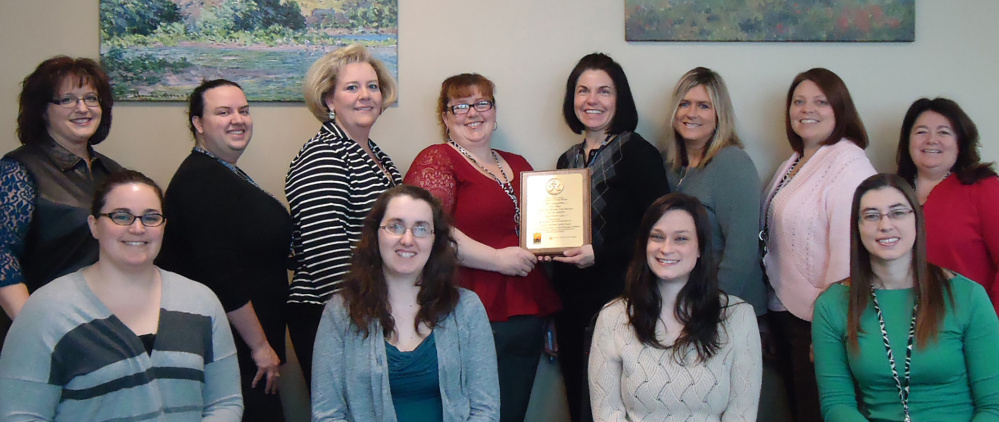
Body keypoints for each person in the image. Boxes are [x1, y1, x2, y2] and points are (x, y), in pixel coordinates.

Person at [0, 170, 243, 420]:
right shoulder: (46, 311)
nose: (137, 228)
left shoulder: (202, 303)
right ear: (94, 225)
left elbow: (225, 402)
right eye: (122, 216)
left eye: (151, 218)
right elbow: (20, 414)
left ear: (163, 226)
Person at [405, 73, 560, 422]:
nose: (472, 113)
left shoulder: (519, 164)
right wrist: (496, 260)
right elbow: (427, 229)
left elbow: (543, 235)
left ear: (494, 111)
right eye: (459, 106)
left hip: (528, 313)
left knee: (510, 414)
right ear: (445, 118)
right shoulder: (438, 159)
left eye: (481, 103)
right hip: (466, 311)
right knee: (468, 414)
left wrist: (550, 310)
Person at [813, 173, 999, 421]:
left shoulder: (968, 295)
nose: (885, 225)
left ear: (917, 221)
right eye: (871, 216)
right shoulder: (832, 304)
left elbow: (994, 405)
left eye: (898, 213)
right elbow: (836, 404)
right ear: (857, 228)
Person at [156, 79, 290, 421]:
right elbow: (220, 273)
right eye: (223, 112)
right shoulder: (199, 180)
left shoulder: (223, 172)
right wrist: (259, 347)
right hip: (232, 350)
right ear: (198, 124)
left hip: (247, 348)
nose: (238, 119)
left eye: (244, 111)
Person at [311, 185, 500, 421]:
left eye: (421, 228)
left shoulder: (467, 308)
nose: (407, 239)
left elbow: (485, 410)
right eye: (395, 226)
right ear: (376, 234)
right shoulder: (340, 312)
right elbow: (327, 414)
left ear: (435, 240)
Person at [552, 52, 670, 422]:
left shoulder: (639, 153)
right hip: (572, 306)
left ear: (620, 99)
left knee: (621, 405)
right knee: (580, 404)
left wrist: (598, 254)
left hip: (624, 300)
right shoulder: (566, 161)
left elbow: (657, 231)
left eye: (604, 91)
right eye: (583, 91)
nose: (592, 100)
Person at [760, 67, 876, 421]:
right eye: (798, 101)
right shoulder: (794, 161)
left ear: (840, 109)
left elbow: (849, 256)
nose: (806, 109)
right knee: (796, 408)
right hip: (784, 312)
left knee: (818, 411)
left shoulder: (848, 163)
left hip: (819, 319)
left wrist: (830, 330)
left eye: (820, 102)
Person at [286, 43, 402, 385]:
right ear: (329, 100)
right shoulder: (324, 154)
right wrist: (366, 320)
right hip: (336, 310)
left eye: (372, 86)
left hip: (373, 307)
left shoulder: (375, 154)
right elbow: (327, 252)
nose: (365, 96)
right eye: (352, 87)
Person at [589, 193, 762, 421]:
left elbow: (741, 415)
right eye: (657, 237)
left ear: (700, 248)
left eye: (681, 239)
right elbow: (607, 414)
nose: (666, 248)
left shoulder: (738, 317)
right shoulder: (613, 317)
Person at [0, 56, 123, 326]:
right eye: (67, 99)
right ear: (43, 110)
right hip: (43, 325)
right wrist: (32, 326)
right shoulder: (18, 169)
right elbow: (2, 255)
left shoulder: (114, 173)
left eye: (91, 98)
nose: (83, 108)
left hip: (105, 325)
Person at [663, 66, 765, 315]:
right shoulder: (669, 165)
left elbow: (741, 252)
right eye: (684, 104)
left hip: (726, 308)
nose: (692, 113)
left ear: (720, 114)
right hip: (683, 305)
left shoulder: (733, 163)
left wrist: (712, 308)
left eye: (704, 106)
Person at [895, 98, 999, 312]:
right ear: (908, 141)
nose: (931, 140)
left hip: (969, 324)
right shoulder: (892, 192)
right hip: (904, 323)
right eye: (921, 132)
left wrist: (992, 325)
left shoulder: (982, 187)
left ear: (960, 141)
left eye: (944, 132)